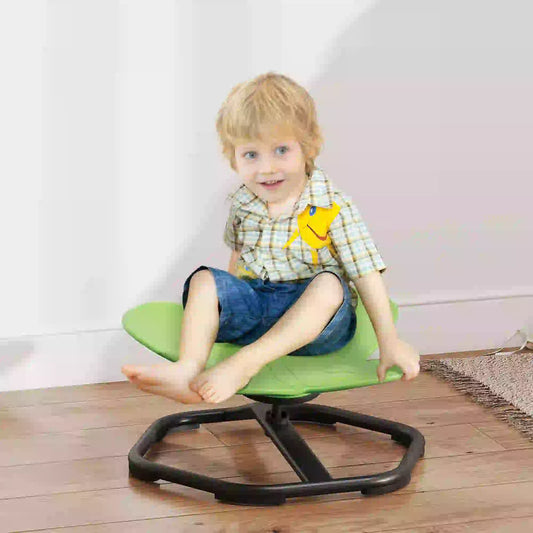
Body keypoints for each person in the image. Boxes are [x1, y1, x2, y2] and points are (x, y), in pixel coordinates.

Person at [121, 72, 420, 404]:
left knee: (330, 285)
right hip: (258, 306)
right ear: (233, 157)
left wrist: (389, 342)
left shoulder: (332, 206)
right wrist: (224, 306)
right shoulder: (243, 203)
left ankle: (244, 364)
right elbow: (238, 259)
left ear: (307, 147)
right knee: (205, 279)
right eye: (251, 155)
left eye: (281, 150)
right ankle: (188, 369)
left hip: (316, 327)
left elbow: (366, 273)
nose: (267, 168)